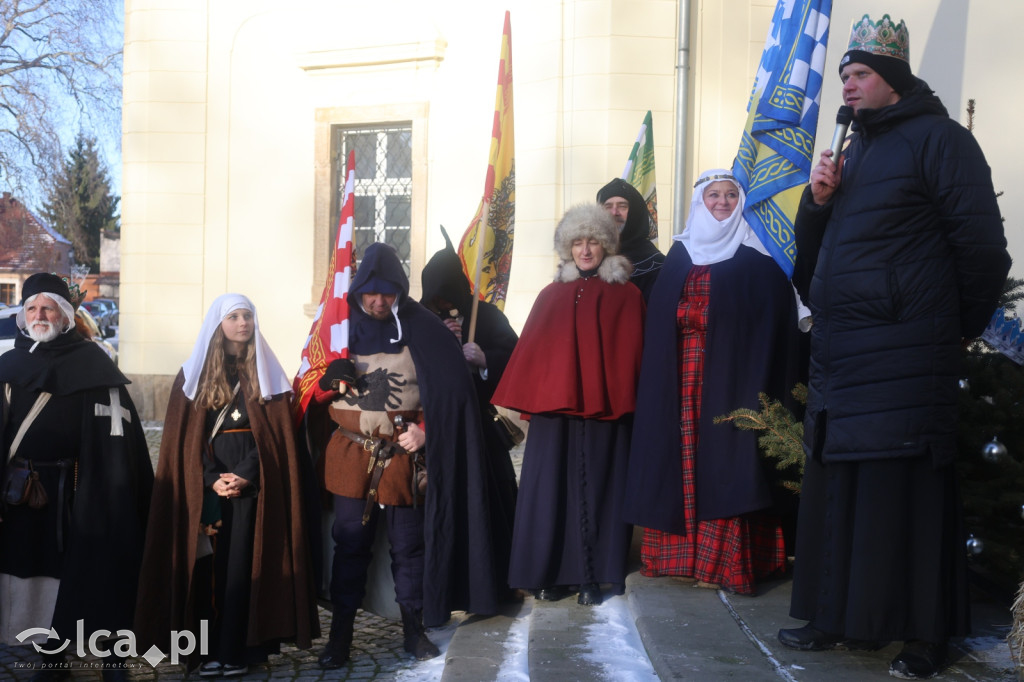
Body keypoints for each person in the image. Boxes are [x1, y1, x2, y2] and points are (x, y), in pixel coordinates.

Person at [777, 14, 1011, 680]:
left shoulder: (942, 141)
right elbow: (812, 267)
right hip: (843, 357)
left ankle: (924, 635)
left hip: (906, 354)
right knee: (843, 490)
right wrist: (818, 204)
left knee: (907, 496)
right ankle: (835, 616)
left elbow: (982, 250)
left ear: (895, 81)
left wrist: (957, 327)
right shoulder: (854, 152)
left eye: (860, 74)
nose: (848, 86)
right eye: (844, 76)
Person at [312, 242, 503, 668]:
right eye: (371, 293)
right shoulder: (337, 328)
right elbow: (308, 387)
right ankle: (340, 637)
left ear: (399, 290)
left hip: (405, 456)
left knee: (409, 547)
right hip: (351, 454)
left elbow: (455, 395)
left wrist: (427, 431)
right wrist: (327, 379)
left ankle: (414, 631)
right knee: (349, 544)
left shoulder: (425, 328)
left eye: (387, 293)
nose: (379, 302)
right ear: (358, 291)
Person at [622, 169, 801, 595]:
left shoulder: (759, 255)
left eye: (731, 195)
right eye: (714, 195)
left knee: (727, 463)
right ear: (700, 200)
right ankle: (680, 558)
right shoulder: (679, 254)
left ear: (743, 201)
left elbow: (772, 326)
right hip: (680, 377)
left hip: (736, 378)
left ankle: (724, 562)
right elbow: (659, 317)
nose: (722, 202)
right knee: (680, 460)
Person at [135, 294, 319, 676]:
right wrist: (210, 478)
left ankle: (236, 650)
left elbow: (274, 438)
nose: (242, 323)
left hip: (253, 487)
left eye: (247, 315)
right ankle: (204, 651)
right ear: (218, 324)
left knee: (243, 567)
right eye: (234, 316)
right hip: (207, 489)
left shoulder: (266, 372)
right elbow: (184, 440)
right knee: (207, 568)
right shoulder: (194, 375)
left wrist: (247, 473)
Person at [0, 273, 154, 682]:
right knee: (40, 578)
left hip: (86, 489)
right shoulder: (10, 365)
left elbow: (118, 431)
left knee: (103, 568)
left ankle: (113, 658)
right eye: (32, 308)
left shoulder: (93, 364)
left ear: (66, 316)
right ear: (23, 316)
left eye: (48, 308)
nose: (39, 315)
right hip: (28, 493)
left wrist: (112, 486)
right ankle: (51, 657)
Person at [491, 203, 644, 606]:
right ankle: (548, 573)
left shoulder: (626, 296)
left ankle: (593, 575)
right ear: (567, 248)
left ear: (606, 245)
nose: (585, 250)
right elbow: (534, 354)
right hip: (555, 413)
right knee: (549, 489)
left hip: (606, 412)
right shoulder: (551, 296)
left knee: (601, 488)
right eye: (577, 243)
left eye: (593, 241)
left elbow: (632, 356)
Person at [420, 228, 518, 593]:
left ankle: (499, 580)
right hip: (439, 430)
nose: (443, 305)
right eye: (436, 300)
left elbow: (518, 360)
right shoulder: (422, 321)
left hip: (481, 428)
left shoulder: (486, 316)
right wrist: (442, 343)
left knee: (492, 503)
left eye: (448, 297)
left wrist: (485, 359)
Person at [596, 178, 665, 301]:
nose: (614, 212)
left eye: (622, 206)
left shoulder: (655, 264)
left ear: (635, 212)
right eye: (608, 206)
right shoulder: (589, 255)